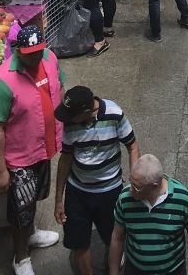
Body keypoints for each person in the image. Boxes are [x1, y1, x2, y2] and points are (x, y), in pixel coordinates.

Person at [0, 23, 66, 275]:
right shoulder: (3, 82)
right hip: (20, 158)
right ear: (18, 50)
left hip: (45, 148)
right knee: (20, 210)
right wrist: (1, 170)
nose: (35, 57)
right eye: (30, 53)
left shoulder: (50, 58)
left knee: (34, 200)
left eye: (38, 51)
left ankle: (31, 234)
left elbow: (59, 87)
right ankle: (20, 258)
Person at [54, 87, 139, 275]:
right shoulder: (70, 121)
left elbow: (132, 145)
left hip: (110, 191)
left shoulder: (114, 114)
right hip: (77, 192)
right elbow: (66, 158)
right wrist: (59, 199)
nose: (65, 119)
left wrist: (135, 180)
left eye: (70, 115)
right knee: (78, 242)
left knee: (113, 237)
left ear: (86, 112)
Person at [109, 155, 188, 275]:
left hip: (173, 271)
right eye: (131, 181)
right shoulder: (125, 199)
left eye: (136, 187)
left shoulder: (183, 199)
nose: (131, 190)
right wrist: (113, 271)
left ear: (154, 186)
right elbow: (117, 237)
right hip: (135, 270)